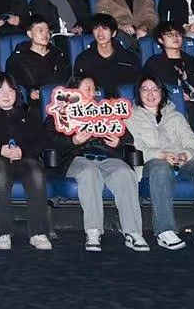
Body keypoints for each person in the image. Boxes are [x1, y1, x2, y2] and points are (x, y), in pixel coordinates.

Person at [52, 75, 147, 252]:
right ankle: (93, 231)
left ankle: (133, 232)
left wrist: (118, 143)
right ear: (73, 91)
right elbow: (48, 140)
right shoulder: (61, 113)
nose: (92, 93)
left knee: (125, 173)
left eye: (93, 89)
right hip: (78, 159)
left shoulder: (107, 112)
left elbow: (127, 139)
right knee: (89, 172)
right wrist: (72, 141)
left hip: (108, 158)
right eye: (87, 89)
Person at [130, 75, 194, 250]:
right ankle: (164, 230)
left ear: (162, 92)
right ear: (138, 93)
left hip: (181, 161)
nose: (150, 94)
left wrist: (186, 154)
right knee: (161, 168)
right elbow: (135, 147)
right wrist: (161, 154)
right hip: (151, 162)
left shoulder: (176, 116)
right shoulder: (131, 117)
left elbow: (192, 143)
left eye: (155, 89)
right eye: (145, 89)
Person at [0, 74, 51, 250]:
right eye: (0, 90)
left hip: (23, 159)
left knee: (36, 173)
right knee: (1, 173)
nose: (6, 95)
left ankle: (38, 232)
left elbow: (41, 140)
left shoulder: (27, 114)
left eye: (10, 90)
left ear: (17, 93)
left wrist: (23, 151)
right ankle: (1, 233)